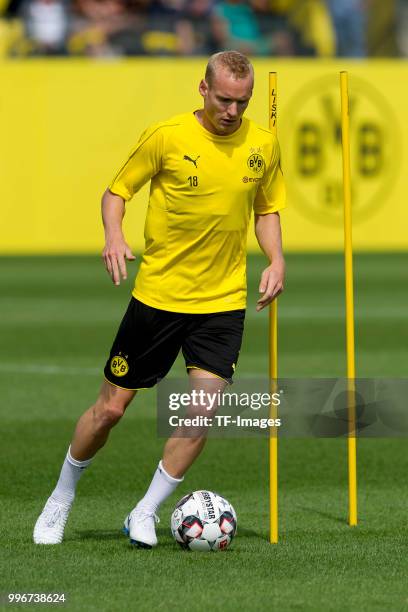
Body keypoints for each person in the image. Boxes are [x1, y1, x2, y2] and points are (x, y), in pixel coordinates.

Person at [33, 50, 286, 548]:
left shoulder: (264, 143)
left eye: (243, 101)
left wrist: (276, 259)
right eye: (224, 100)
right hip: (159, 297)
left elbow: (268, 208)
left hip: (221, 302)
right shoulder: (166, 136)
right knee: (110, 410)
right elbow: (116, 191)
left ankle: (144, 512)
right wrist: (113, 235)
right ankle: (60, 497)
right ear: (202, 88)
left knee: (201, 412)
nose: (233, 111)